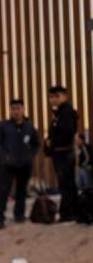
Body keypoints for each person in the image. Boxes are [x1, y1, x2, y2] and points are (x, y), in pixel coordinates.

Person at [0, 99, 40, 229]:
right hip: (7, 165)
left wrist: (30, 156)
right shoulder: (3, 126)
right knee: (3, 191)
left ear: (23, 109)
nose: (16, 111)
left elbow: (36, 144)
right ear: (10, 110)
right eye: (13, 108)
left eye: (18, 108)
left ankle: (19, 215)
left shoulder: (29, 127)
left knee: (22, 191)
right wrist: (5, 157)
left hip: (25, 165)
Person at [45, 85, 79, 222]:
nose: (53, 99)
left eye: (56, 96)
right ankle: (71, 212)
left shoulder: (66, 113)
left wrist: (51, 142)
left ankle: (67, 214)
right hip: (61, 153)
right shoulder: (60, 113)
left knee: (66, 184)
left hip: (64, 153)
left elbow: (67, 134)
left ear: (64, 96)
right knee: (67, 184)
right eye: (51, 96)